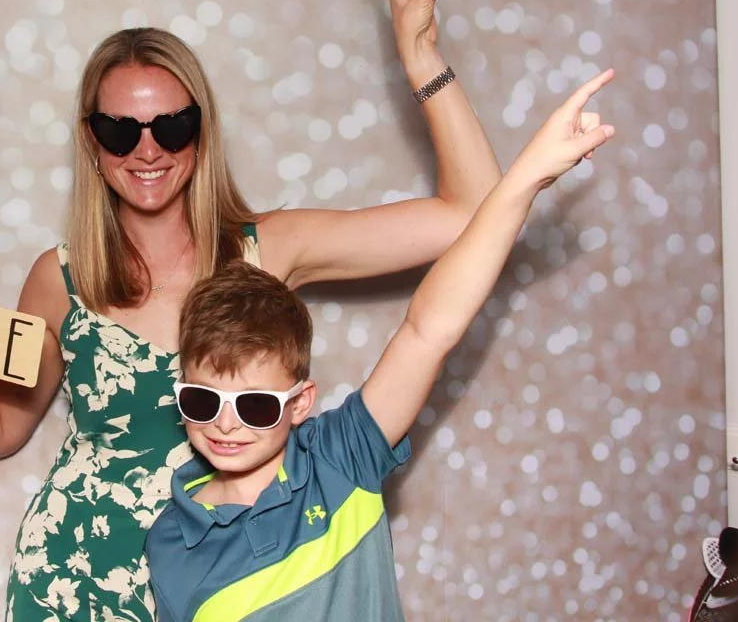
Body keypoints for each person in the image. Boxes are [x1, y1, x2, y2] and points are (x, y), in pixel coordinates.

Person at [0, 0, 503, 621]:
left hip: (223, 575)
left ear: (201, 130)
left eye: (172, 126)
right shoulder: (60, 279)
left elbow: (473, 212)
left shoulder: (270, 249)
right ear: (92, 141)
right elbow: (4, 426)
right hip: (75, 582)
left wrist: (420, 55)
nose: (148, 150)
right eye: (120, 130)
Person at [144, 71, 617, 621]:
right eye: (203, 401)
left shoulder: (340, 458)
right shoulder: (171, 543)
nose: (225, 424)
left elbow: (429, 327)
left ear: (299, 403)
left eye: (254, 406)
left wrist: (528, 176)